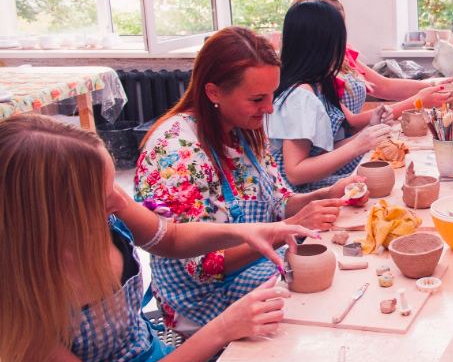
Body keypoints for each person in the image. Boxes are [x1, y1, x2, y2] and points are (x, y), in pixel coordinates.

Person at [0, 114, 312, 362]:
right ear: (51, 214)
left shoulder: (107, 209)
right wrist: (220, 329)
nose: (118, 201)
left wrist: (244, 232)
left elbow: (172, 237)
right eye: (103, 195)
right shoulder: (17, 304)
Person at [135, 27, 348, 336]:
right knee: (313, 313)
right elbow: (205, 265)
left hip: (250, 268)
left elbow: (278, 201)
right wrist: (283, 231)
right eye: (258, 99)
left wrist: (325, 194)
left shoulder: (242, 128)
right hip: (201, 301)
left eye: (272, 94)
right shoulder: (175, 151)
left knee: (332, 285)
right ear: (213, 93)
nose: (270, 108)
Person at [288, 0, 453, 139]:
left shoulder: (341, 54)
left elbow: (384, 86)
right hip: (346, 147)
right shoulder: (310, 79)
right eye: (335, 30)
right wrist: (417, 101)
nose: (341, 36)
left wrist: (435, 86)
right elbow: (350, 124)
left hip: (354, 142)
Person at [268, 0, 394, 191]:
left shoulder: (319, 84)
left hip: (309, 184)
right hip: (290, 195)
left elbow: (328, 151)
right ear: (323, 45)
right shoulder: (300, 96)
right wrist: (359, 144)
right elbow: (296, 173)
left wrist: (370, 130)